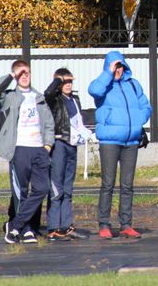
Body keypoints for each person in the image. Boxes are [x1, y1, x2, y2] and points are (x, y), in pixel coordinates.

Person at [88, 51, 152, 240]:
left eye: (120, 65)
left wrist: (139, 121)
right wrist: (108, 73)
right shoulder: (103, 85)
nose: (118, 69)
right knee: (108, 184)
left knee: (127, 185)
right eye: (115, 66)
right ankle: (104, 224)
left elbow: (146, 106)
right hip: (109, 141)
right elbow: (94, 91)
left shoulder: (133, 84)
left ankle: (126, 224)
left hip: (131, 141)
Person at [0, 60, 54, 245]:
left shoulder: (39, 97)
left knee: (43, 188)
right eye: (21, 73)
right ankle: (26, 229)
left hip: (39, 149)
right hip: (19, 149)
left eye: (27, 73)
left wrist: (47, 146)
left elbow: (49, 124)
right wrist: (12, 75)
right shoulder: (10, 97)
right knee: (21, 192)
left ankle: (16, 225)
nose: (25, 76)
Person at [44, 68, 91, 241]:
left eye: (71, 81)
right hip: (59, 144)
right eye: (65, 82)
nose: (69, 85)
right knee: (56, 187)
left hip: (72, 145)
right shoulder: (54, 99)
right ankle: (53, 227)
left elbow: (79, 121)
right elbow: (47, 93)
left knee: (68, 187)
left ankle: (66, 226)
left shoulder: (75, 99)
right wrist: (58, 80)